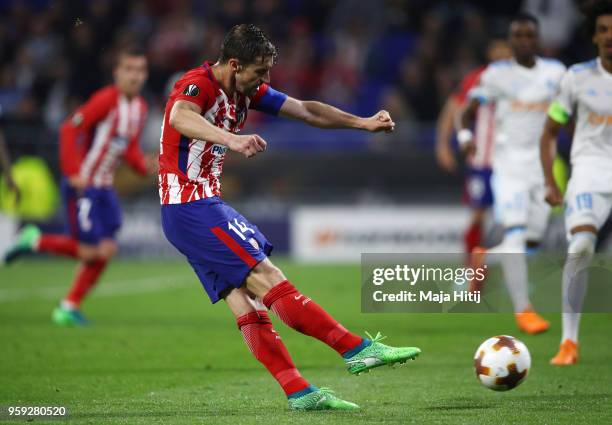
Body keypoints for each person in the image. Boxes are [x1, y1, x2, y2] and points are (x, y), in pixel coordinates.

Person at [159, 24, 420, 411]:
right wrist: (232, 139)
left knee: (247, 303)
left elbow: (307, 110)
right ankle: (356, 349)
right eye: (259, 72)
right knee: (270, 278)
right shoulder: (199, 84)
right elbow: (180, 115)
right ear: (234, 64)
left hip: (191, 209)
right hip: (192, 206)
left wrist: (362, 122)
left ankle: (299, 392)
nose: (265, 80)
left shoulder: (247, 90)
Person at [3, 47, 156, 325]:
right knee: (89, 251)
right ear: (117, 73)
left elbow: (128, 146)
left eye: (140, 70)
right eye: (129, 70)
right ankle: (34, 239)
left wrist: (143, 167)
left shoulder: (140, 108)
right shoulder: (106, 100)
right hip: (83, 185)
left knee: (107, 249)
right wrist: (73, 171)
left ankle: (68, 306)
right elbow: (69, 128)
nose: (135, 76)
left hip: (106, 188)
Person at [458, 13, 566, 334]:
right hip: (508, 168)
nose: (523, 41)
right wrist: (466, 138)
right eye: (517, 36)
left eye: (528, 35)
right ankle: (524, 310)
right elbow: (466, 111)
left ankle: (485, 258)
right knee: (516, 233)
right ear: (510, 41)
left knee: (532, 239)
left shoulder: (556, 73)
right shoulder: (496, 75)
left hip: (543, 167)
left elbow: (568, 113)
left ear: (537, 39)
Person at [540, 0, 612, 365]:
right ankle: (569, 342)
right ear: (595, 36)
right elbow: (550, 131)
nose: (610, 37)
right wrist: (550, 181)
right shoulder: (577, 77)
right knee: (580, 248)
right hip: (590, 173)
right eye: (603, 30)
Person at [435, 39, 512, 259]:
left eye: (506, 48)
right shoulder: (479, 77)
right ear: (489, 51)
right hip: (483, 162)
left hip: (513, 163)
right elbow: (454, 108)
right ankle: (471, 274)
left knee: (514, 219)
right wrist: (443, 144)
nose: (502, 53)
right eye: (497, 48)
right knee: (478, 216)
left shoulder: (525, 78)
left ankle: (511, 274)